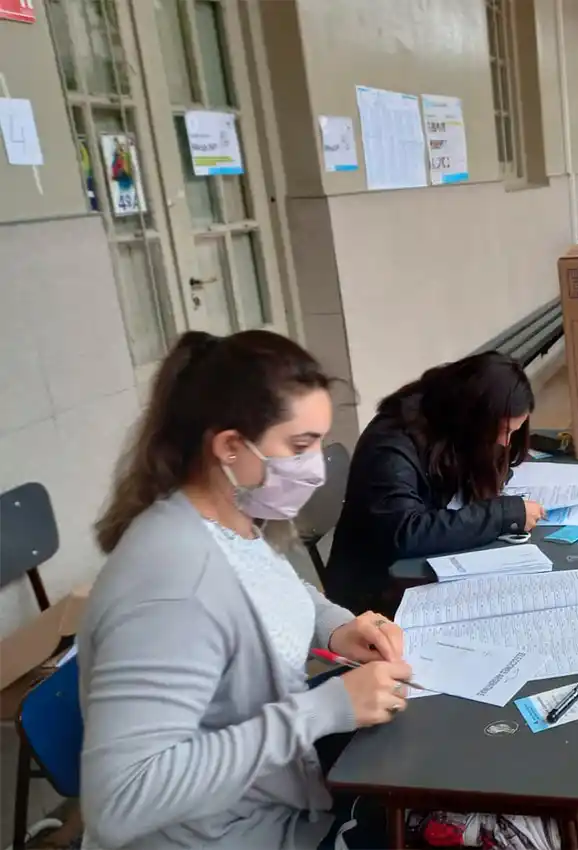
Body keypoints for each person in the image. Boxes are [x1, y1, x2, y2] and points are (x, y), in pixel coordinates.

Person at [79, 330, 413, 850]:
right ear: (231, 446)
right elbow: (119, 800)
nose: (317, 463)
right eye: (300, 446)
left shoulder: (226, 519)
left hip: (276, 802)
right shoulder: (173, 586)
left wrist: (337, 626)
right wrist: (322, 710)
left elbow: (270, 585)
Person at [326, 352, 544, 614]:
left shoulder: (449, 426)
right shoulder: (391, 446)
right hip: (378, 592)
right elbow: (407, 531)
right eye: (504, 432)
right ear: (474, 418)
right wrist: (504, 514)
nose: (505, 443)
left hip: (423, 569)